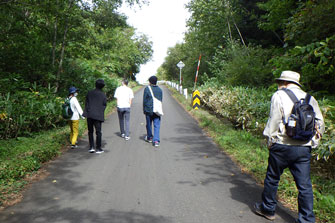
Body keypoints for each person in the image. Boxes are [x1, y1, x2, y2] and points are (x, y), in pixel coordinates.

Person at [254, 71, 325, 223]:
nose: (279, 85)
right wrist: (313, 143)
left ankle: (268, 210)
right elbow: (320, 123)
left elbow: (274, 120)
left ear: (284, 83)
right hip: (303, 148)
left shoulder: (279, 95)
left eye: (280, 82)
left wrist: (270, 140)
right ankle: (306, 219)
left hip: (282, 145)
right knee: (304, 185)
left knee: (273, 178)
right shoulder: (310, 98)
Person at [83, 79, 107, 154]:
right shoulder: (103, 95)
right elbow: (104, 105)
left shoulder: (89, 93)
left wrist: (86, 112)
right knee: (98, 132)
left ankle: (91, 147)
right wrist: (100, 111)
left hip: (90, 115)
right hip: (98, 115)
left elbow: (86, 103)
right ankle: (98, 148)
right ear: (102, 86)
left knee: (90, 131)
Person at [143, 76, 163, 147]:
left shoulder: (147, 89)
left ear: (150, 82)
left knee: (148, 124)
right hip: (157, 110)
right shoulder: (160, 90)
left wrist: (144, 110)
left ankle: (149, 137)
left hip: (149, 110)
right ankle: (156, 141)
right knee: (157, 125)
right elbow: (160, 100)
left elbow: (145, 100)